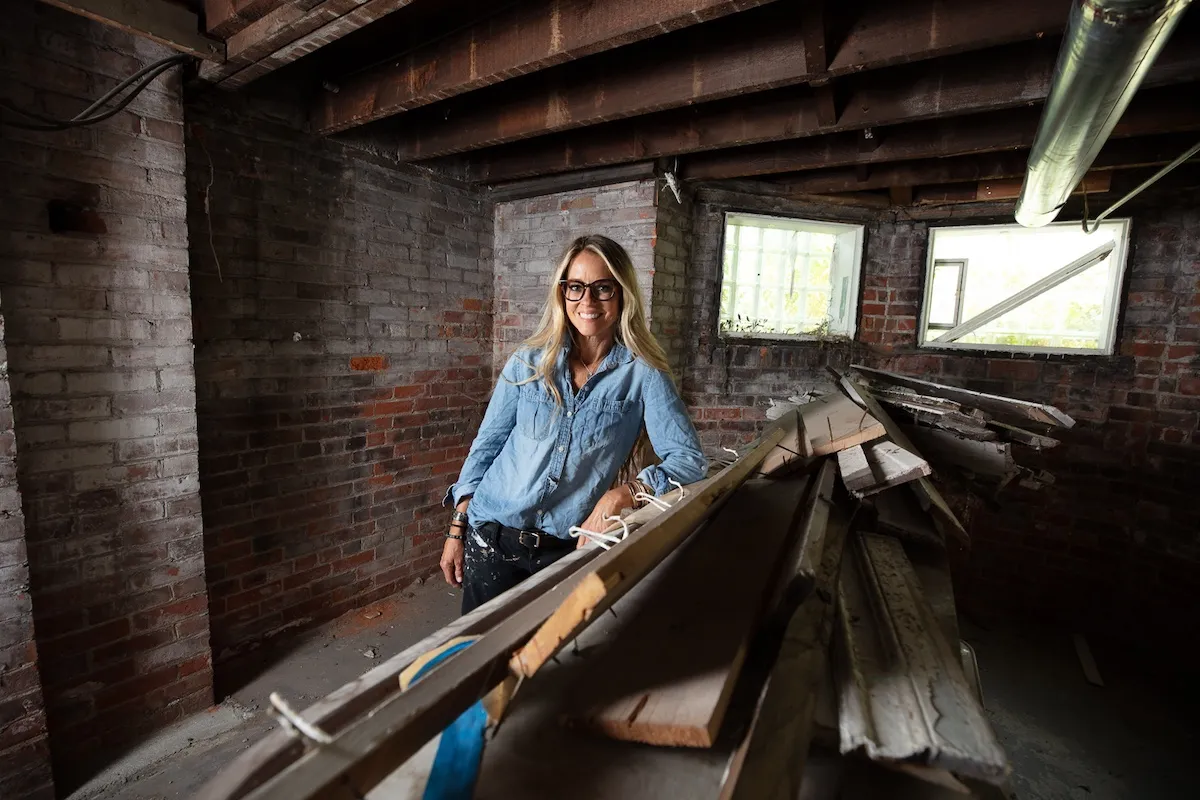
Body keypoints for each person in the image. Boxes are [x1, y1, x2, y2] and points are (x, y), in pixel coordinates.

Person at [440, 234, 707, 614]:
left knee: (554, 648)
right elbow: (486, 447)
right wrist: (457, 529)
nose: (588, 302)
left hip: (566, 550)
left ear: (622, 293)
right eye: (576, 287)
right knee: (481, 646)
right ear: (562, 293)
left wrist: (622, 494)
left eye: (603, 288)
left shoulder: (644, 373)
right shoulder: (528, 362)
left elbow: (689, 460)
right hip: (491, 536)